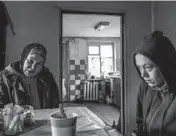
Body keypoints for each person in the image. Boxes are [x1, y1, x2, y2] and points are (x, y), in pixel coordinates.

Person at [132, 31, 176, 136]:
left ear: (165, 65)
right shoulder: (145, 87)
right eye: (139, 68)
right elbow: (140, 122)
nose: (143, 74)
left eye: (148, 67)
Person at [0, 43, 60, 109]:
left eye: (39, 63)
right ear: (23, 58)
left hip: (44, 117)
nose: (33, 67)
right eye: (30, 61)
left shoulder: (47, 77)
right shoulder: (5, 77)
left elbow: (55, 102)